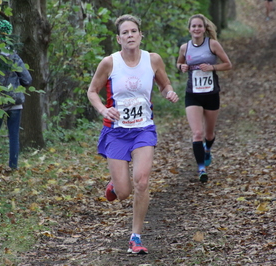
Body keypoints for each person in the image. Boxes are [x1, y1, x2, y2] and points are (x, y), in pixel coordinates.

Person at [87, 14, 179, 254]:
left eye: (133, 31)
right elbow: (93, 91)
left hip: (143, 130)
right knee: (124, 192)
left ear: (140, 35)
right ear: (118, 38)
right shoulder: (109, 63)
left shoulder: (153, 60)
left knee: (142, 181)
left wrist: (168, 92)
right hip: (117, 132)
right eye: (125, 33)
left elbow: (164, 84)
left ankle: (135, 237)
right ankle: (115, 186)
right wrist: (103, 108)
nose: (130, 35)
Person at [176, 14, 232, 183]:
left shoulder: (212, 44)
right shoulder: (184, 48)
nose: (196, 29)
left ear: (204, 28)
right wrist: (182, 67)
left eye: (199, 26)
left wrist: (212, 67)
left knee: (208, 134)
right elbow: (178, 64)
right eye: (193, 26)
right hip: (192, 94)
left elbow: (228, 64)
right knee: (197, 133)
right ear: (189, 29)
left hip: (211, 94)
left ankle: (207, 149)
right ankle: (201, 168)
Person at [0, 20, 32, 169]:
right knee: (14, 136)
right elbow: (27, 79)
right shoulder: (14, 56)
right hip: (15, 101)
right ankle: (13, 166)